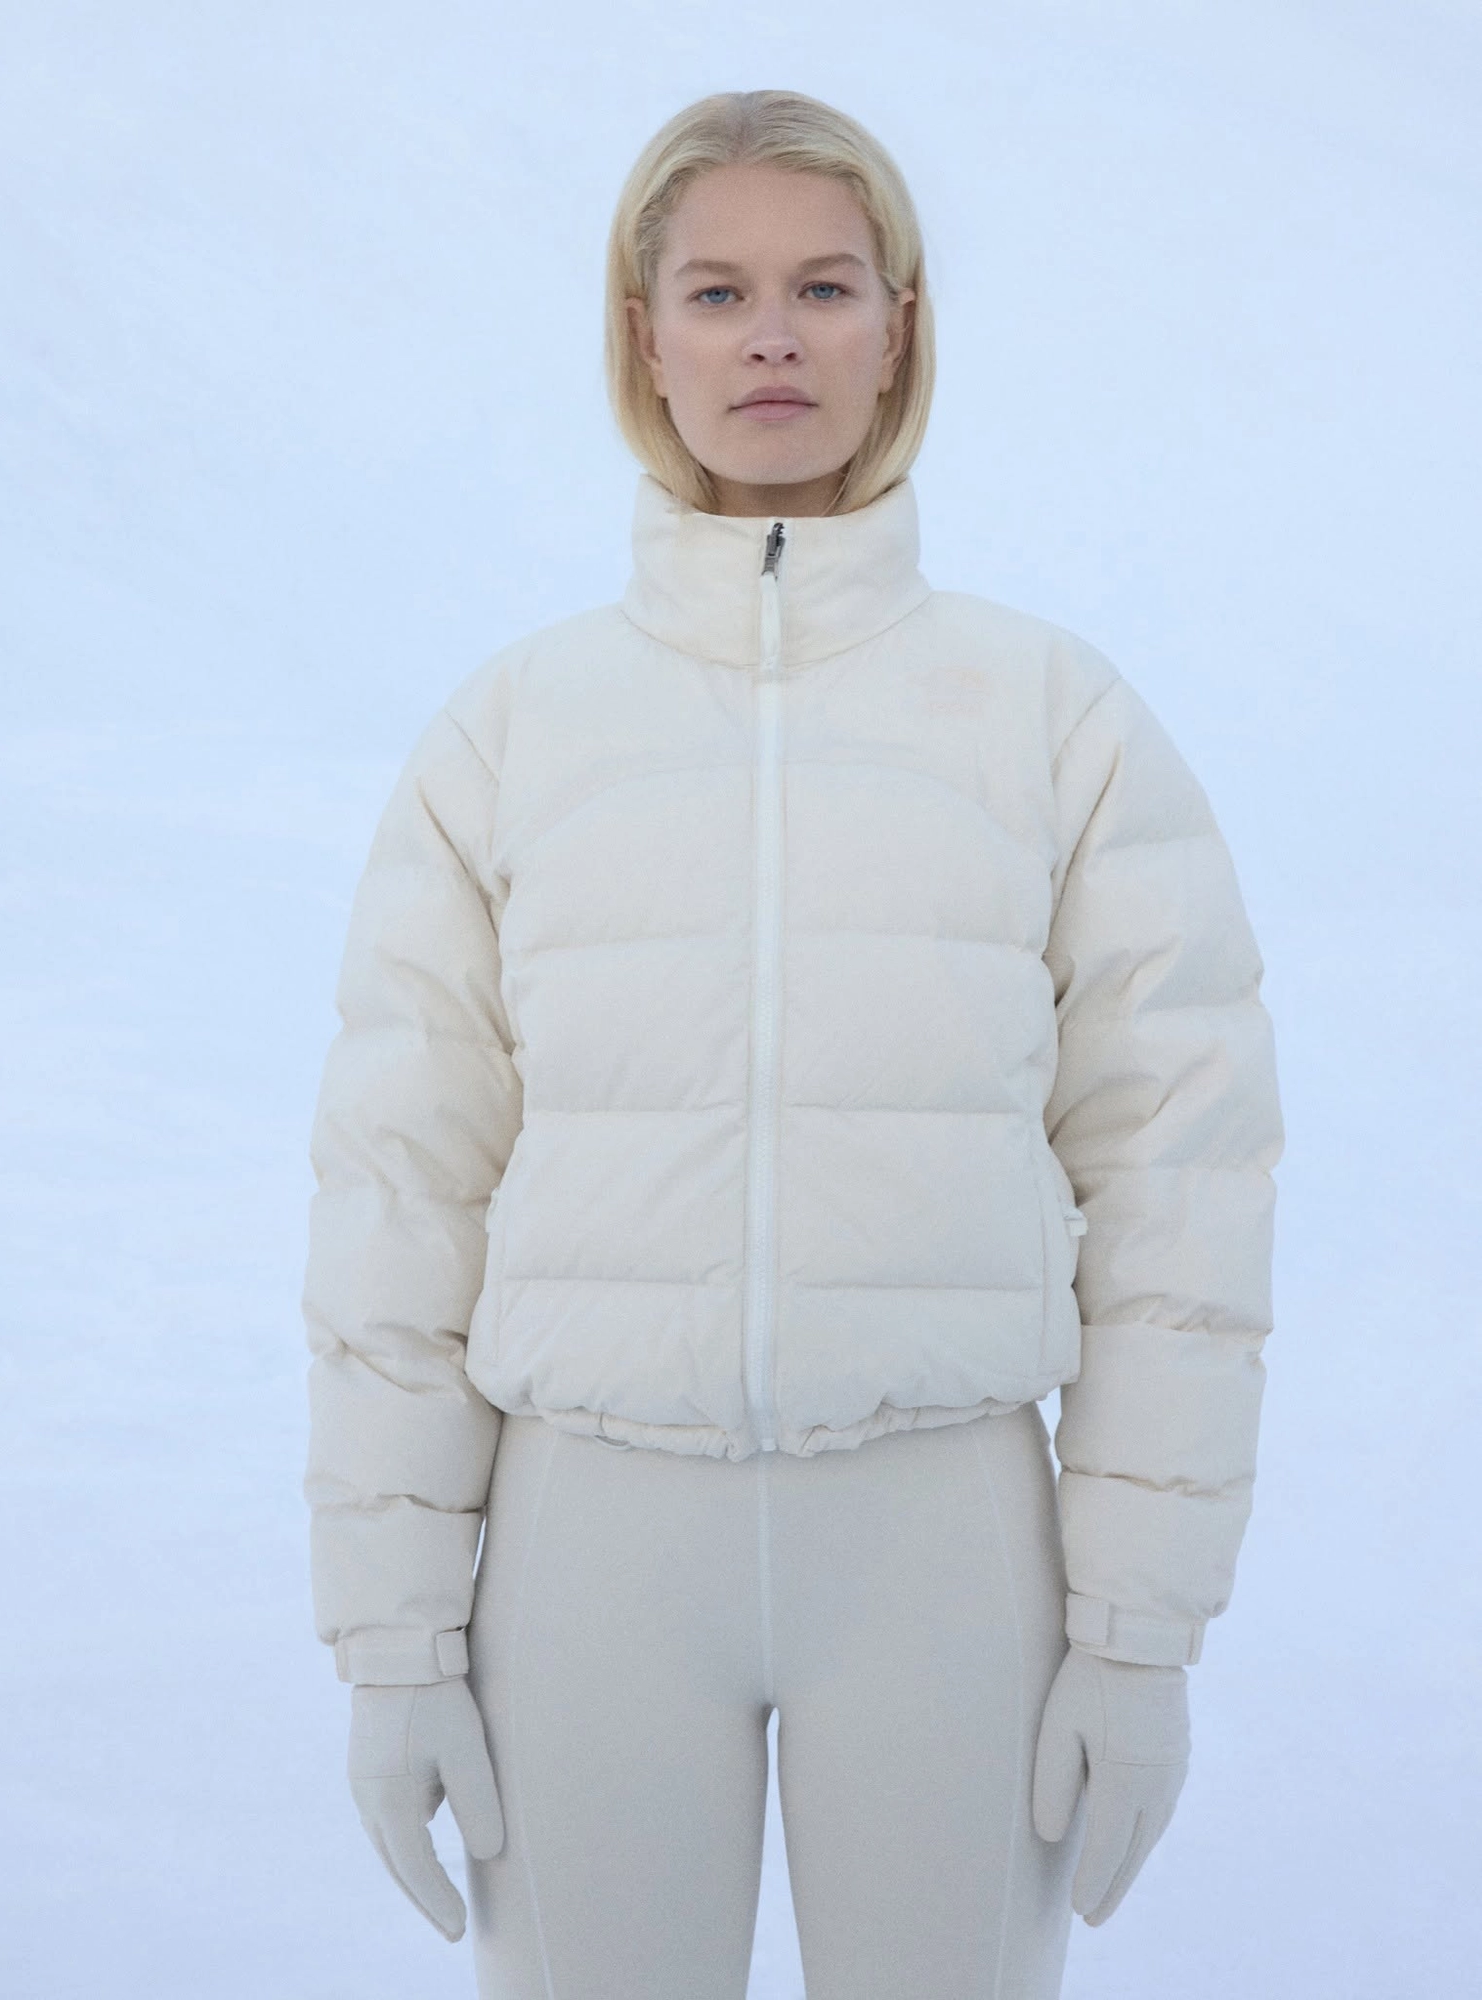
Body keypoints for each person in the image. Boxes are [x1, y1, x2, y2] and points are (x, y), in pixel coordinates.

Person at [301, 88, 1284, 2000]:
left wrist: (1139, 1633)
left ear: (900, 326)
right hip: (591, 1544)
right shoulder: (512, 735)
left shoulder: (1054, 721)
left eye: (825, 286)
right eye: (719, 290)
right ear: (643, 335)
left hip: (942, 1545)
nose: (771, 336)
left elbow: (1184, 1186)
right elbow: (398, 1199)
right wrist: (397, 1644)